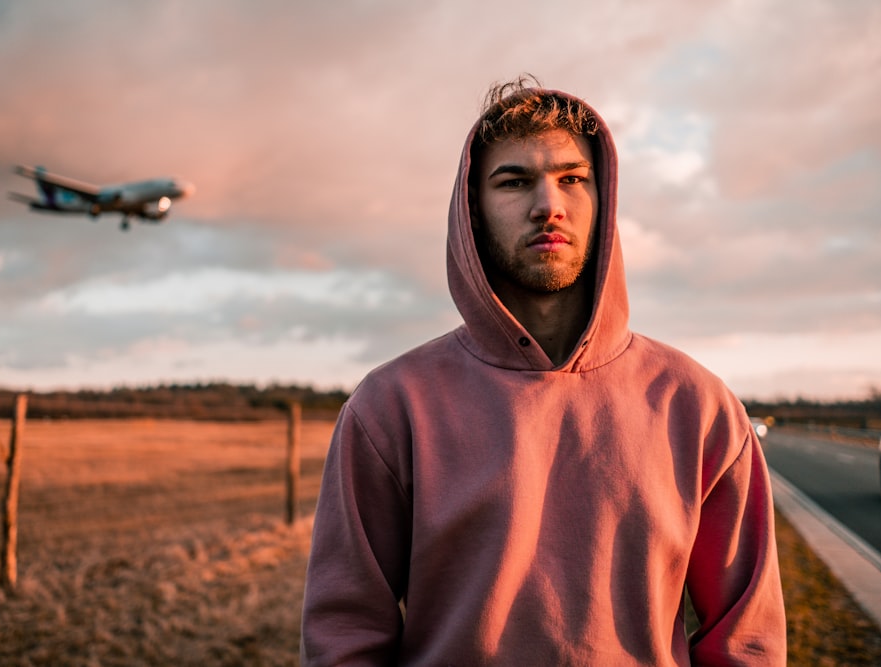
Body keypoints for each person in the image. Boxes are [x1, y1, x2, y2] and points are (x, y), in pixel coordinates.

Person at [301, 77, 786, 665]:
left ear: (602, 202)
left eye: (572, 179)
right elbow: (344, 636)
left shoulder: (697, 405)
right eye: (514, 181)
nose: (548, 205)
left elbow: (747, 638)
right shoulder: (390, 407)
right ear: (471, 211)